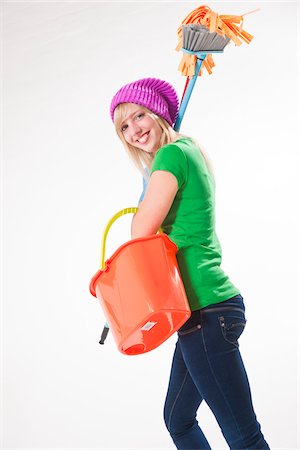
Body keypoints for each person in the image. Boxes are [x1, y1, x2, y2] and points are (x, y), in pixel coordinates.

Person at [110, 77, 270, 450]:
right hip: (202, 312)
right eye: (124, 126)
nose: (134, 129)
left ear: (158, 112)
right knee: (177, 419)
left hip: (205, 310)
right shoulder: (189, 150)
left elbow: (140, 233)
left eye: (139, 116)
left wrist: (149, 185)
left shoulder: (170, 156)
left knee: (243, 436)